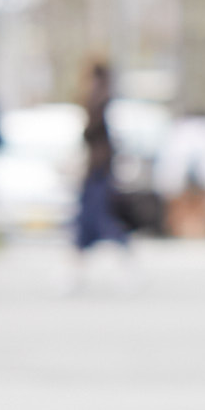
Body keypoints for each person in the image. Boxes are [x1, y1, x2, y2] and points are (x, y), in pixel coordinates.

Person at [74, 62, 131, 269]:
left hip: (99, 170)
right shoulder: (101, 101)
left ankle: (126, 261)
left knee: (99, 219)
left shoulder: (101, 102)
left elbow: (95, 137)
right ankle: (74, 269)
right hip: (95, 170)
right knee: (85, 222)